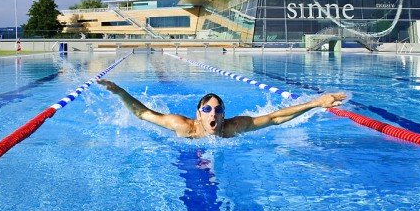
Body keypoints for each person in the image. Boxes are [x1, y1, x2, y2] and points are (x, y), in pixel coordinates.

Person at [97, 79, 347, 138]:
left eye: (217, 110)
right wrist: (120, 92)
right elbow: (143, 113)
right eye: (207, 110)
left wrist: (316, 103)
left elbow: (275, 118)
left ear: (224, 114)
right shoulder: (184, 127)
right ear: (199, 114)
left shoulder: (233, 127)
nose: (213, 114)